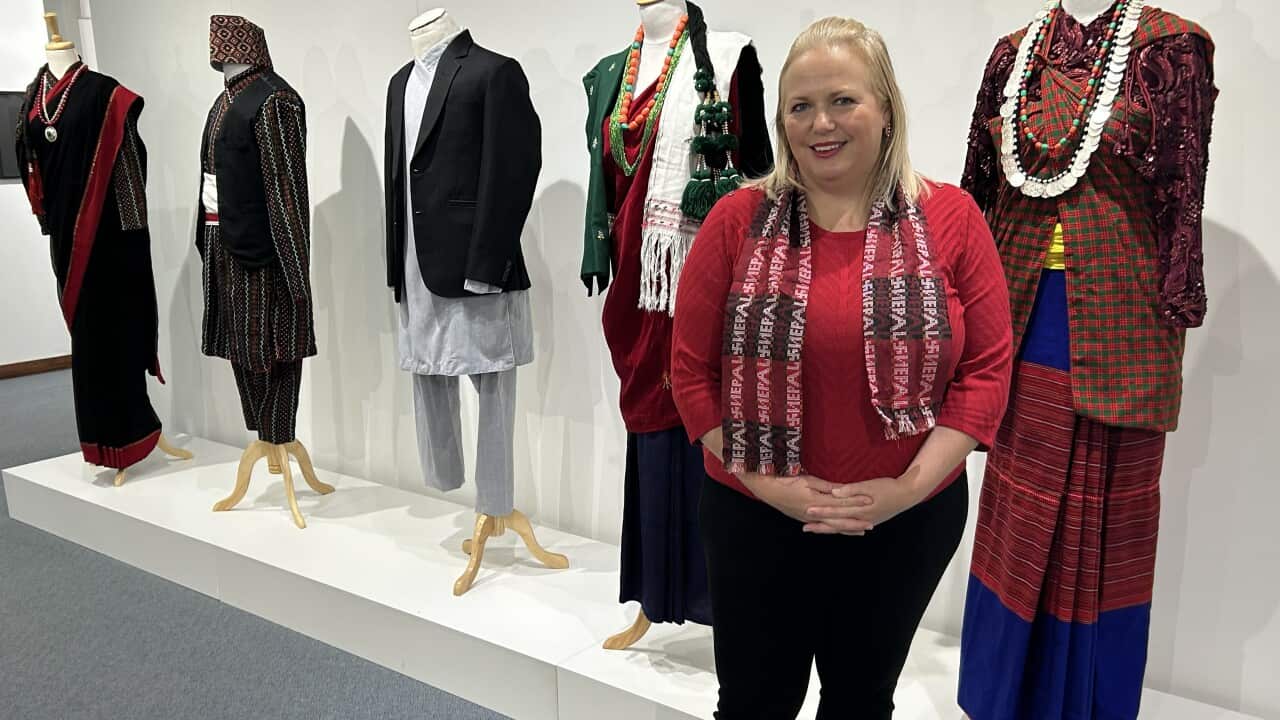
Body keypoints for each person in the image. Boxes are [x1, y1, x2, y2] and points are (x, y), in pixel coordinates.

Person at [671, 17, 1013, 719]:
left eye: (843, 101)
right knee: (753, 703)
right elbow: (690, 376)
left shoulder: (952, 219)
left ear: (885, 109)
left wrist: (903, 490)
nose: (820, 123)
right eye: (799, 106)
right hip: (754, 516)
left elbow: (985, 374)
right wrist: (773, 489)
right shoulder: (736, 220)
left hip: (904, 523)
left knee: (861, 701)